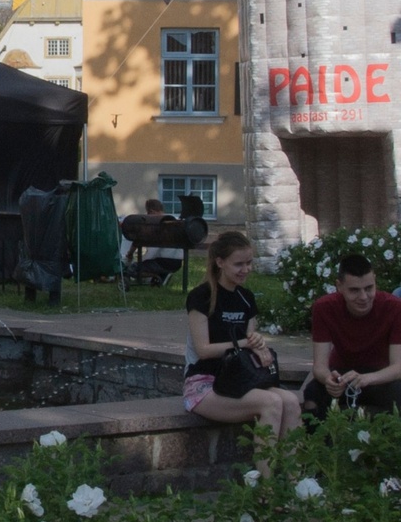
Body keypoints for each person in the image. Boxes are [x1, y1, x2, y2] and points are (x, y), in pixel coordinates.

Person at [183, 231, 301, 475]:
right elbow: (203, 350)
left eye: (249, 263)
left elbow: (251, 348)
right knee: (271, 402)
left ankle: (294, 481)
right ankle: (266, 489)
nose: (245, 269)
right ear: (220, 262)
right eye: (239, 264)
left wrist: (261, 349)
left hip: (239, 379)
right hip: (204, 384)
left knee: (290, 401)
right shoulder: (201, 296)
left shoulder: (246, 299)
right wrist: (245, 344)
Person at [303, 254, 401, 419]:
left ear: (375, 281)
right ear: (339, 286)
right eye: (354, 290)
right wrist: (328, 379)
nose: (363, 297)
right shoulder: (324, 307)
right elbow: (319, 367)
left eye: (369, 288)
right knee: (312, 394)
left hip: (380, 376)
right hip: (342, 375)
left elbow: (398, 368)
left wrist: (367, 379)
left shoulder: (393, 307)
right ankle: (318, 443)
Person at [122, 199, 182, 288]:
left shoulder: (155, 225)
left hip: (162, 261)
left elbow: (141, 243)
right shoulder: (175, 221)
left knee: (132, 269)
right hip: (177, 262)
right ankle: (162, 275)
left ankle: (158, 276)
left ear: (152, 212)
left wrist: (130, 254)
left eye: (148, 213)